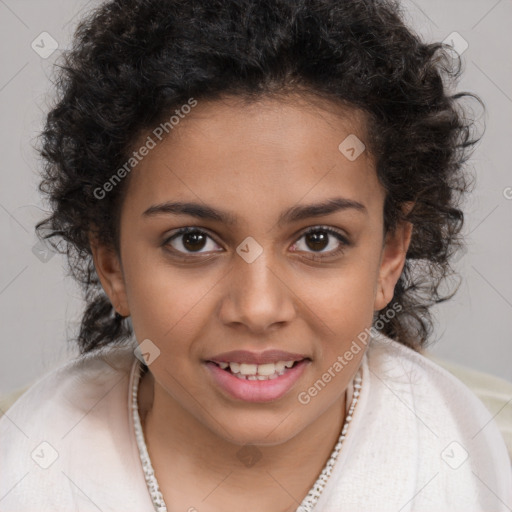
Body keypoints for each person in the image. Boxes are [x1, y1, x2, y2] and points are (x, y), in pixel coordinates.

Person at [1, 0, 511, 510]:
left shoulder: (492, 461)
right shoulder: (22, 464)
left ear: (389, 256)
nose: (258, 308)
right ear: (111, 263)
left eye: (318, 240)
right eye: (193, 241)